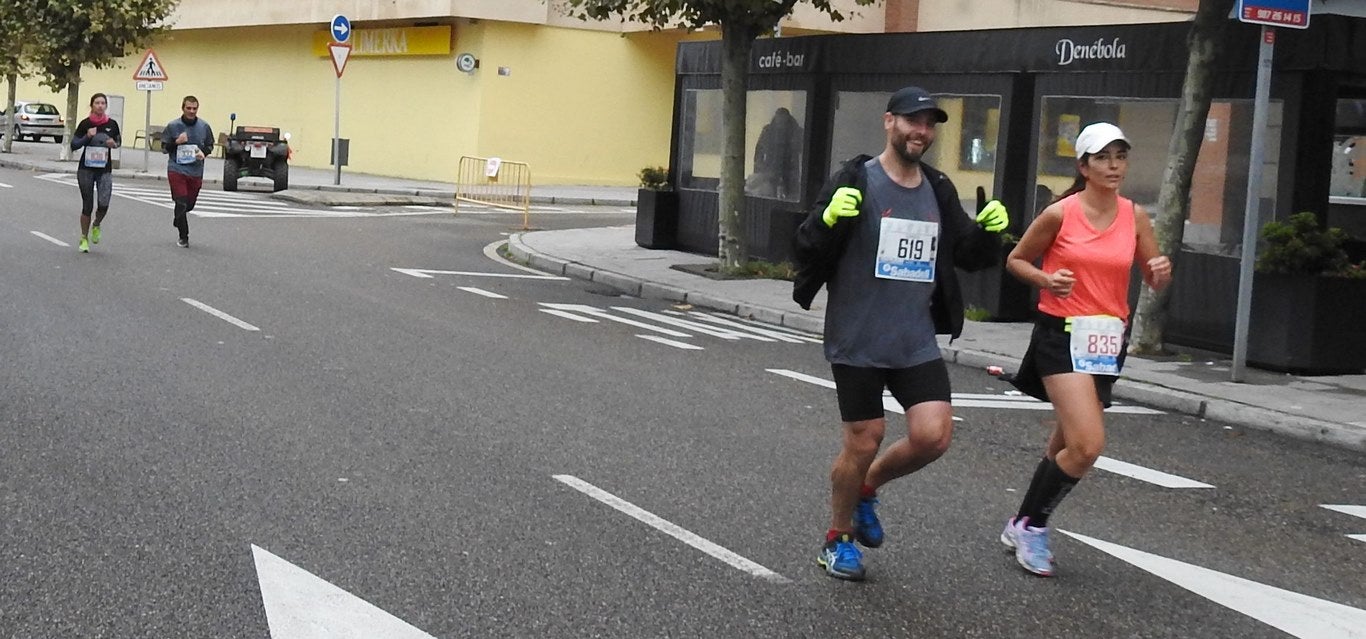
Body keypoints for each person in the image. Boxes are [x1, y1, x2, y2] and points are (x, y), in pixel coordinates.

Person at [792, 86, 1011, 581]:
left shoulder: (937, 187)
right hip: (858, 337)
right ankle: (837, 538)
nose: (922, 131)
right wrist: (827, 219)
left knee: (933, 437)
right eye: (914, 121)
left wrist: (989, 233)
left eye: (930, 124)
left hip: (913, 339)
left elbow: (966, 253)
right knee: (865, 438)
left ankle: (867, 488)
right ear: (890, 123)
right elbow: (805, 245)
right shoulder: (857, 180)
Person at [998, 122, 1172, 577]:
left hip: (1107, 339)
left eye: (1121, 156)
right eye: (1104, 157)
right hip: (1062, 334)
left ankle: (1020, 523)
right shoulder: (1061, 213)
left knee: (1064, 442)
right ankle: (1034, 527)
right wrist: (1046, 280)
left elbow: (1153, 277)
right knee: (1088, 444)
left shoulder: (1135, 215)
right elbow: (1016, 260)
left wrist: (1159, 270)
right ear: (1084, 165)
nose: (1115, 166)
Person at [71, 93, 121, 253]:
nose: (100, 106)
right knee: (87, 205)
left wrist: (113, 144)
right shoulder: (85, 124)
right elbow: (74, 145)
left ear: (106, 106)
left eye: (103, 103)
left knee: (104, 204)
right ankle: (84, 238)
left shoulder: (112, 124)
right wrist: (87, 136)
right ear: (92, 105)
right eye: (97, 103)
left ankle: (97, 224)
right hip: (86, 169)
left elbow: (118, 142)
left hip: (104, 170)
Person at [162, 96, 214, 247]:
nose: (191, 111)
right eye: (188, 108)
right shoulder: (173, 126)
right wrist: (176, 142)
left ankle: (179, 217)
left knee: (188, 205)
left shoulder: (204, 126)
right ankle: (183, 236)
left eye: (194, 108)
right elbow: (164, 147)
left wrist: (204, 153)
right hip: (176, 168)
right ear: (182, 108)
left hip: (195, 171)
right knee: (181, 201)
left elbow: (210, 145)